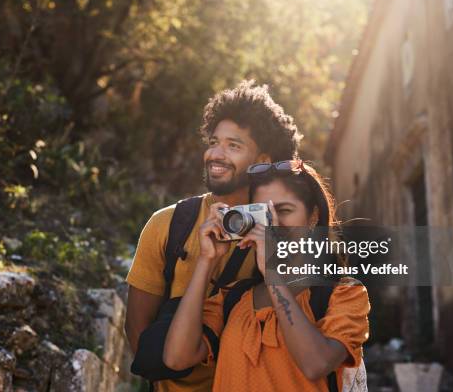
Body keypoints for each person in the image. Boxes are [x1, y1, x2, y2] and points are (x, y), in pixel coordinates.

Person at [125, 80, 303, 392]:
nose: (215, 155)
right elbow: (137, 328)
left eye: (233, 146)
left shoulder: (284, 233)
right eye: (213, 142)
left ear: (262, 162)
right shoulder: (167, 224)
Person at [163, 160, 370, 391]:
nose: (272, 225)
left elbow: (316, 364)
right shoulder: (233, 297)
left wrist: (273, 273)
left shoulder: (344, 294)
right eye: (263, 214)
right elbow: (176, 358)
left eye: (283, 211)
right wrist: (206, 260)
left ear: (313, 217)